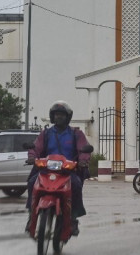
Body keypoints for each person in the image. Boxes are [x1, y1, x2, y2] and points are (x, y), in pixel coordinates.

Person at [25, 101, 91, 236]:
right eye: (56, 115)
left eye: (61, 115)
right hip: (46, 170)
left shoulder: (75, 133)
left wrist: (83, 161)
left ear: (68, 117)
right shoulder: (46, 133)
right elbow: (36, 148)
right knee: (32, 182)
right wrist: (32, 157)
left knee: (77, 184)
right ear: (52, 116)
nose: (58, 117)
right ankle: (32, 215)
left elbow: (84, 149)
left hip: (67, 171)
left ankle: (73, 219)